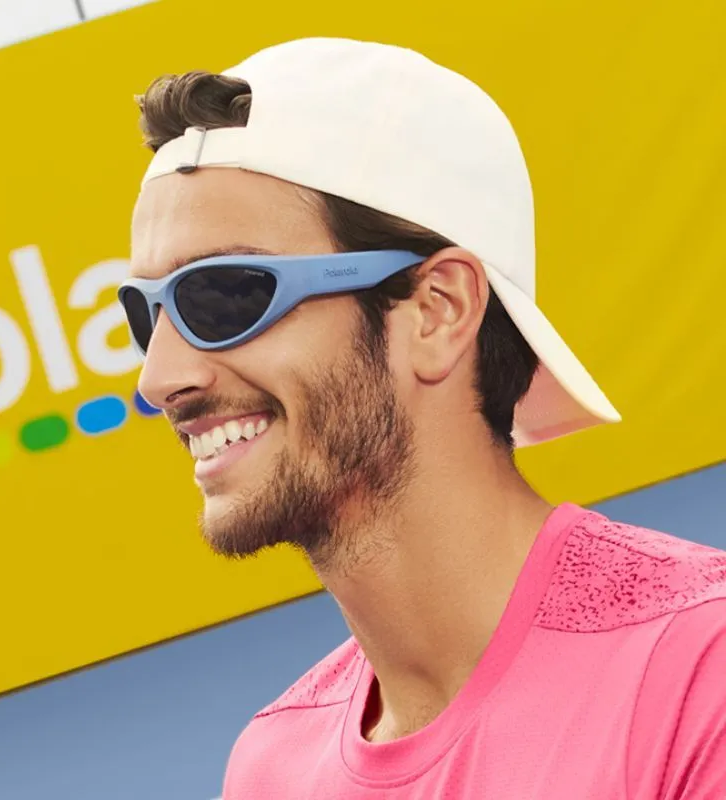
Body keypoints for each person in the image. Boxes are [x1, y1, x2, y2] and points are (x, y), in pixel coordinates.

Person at [118, 37, 726, 798]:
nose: (159, 379)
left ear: (438, 310)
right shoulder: (268, 770)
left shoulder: (702, 672)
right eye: (147, 313)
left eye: (225, 296)